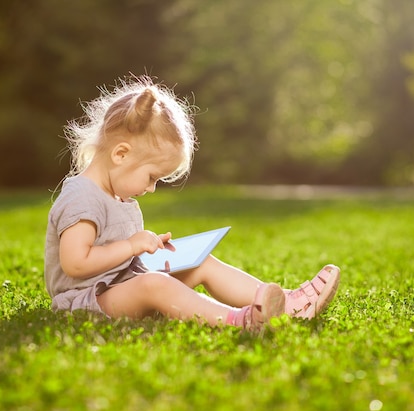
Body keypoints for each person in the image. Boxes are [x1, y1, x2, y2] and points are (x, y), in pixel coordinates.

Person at [44, 76, 340, 331]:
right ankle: (239, 321)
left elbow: (115, 249)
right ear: (121, 154)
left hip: (120, 285)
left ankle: (289, 304)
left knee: (201, 263)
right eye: (152, 177)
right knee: (154, 285)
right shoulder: (81, 196)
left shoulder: (116, 193)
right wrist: (132, 246)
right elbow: (76, 263)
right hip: (87, 302)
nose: (152, 188)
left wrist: (148, 247)